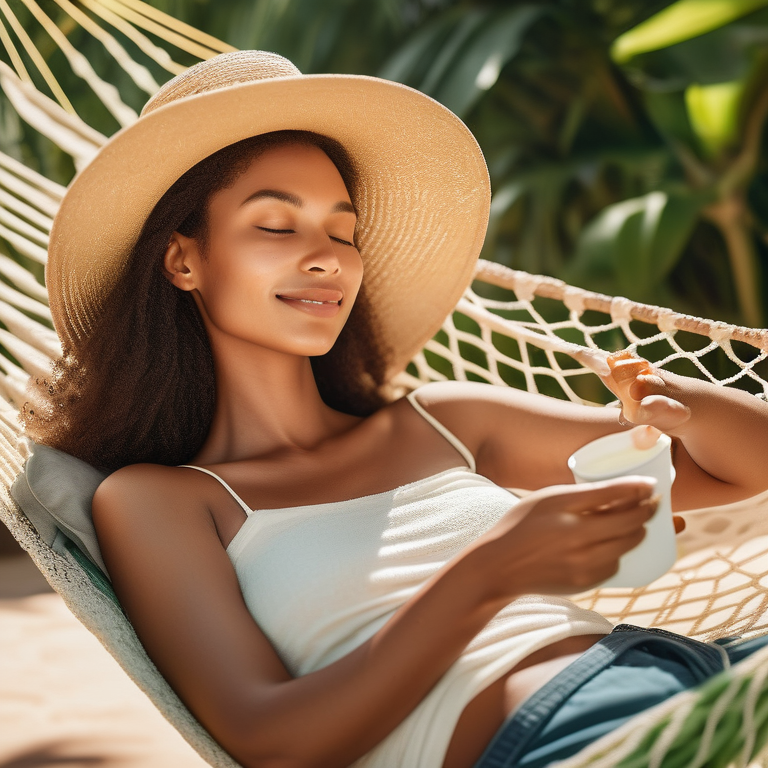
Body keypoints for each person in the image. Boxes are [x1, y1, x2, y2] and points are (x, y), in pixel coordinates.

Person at [23, 51, 768, 768]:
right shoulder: (158, 501)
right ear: (183, 259)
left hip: (696, 678)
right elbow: (272, 741)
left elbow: (743, 471)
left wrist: (681, 410)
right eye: (278, 225)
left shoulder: (446, 421)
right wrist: (490, 571)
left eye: (343, 231)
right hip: (575, 735)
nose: (329, 258)